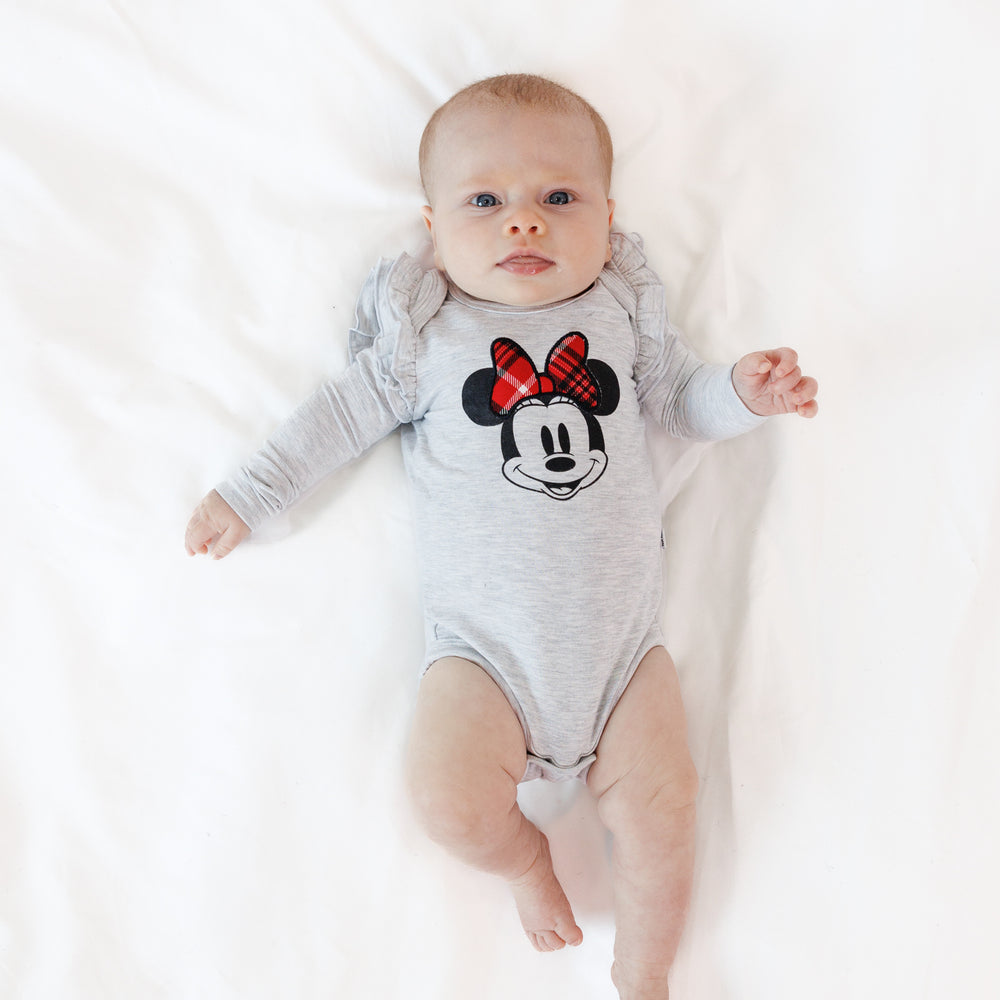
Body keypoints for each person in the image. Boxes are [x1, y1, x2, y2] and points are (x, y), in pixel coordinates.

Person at [185, 73, 818, 1000]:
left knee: (667, 805)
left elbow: (683, 403)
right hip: (483, 660)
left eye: (558, 198)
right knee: (445, 798)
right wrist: (249, 493)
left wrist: (745, 393)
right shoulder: (427, 339)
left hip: (624, 660)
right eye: (487, 201)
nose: (524, 221)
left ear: (609, 216)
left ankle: (645, 972)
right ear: (434, 227)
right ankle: (526, 866)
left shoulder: (620, 314)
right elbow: (334, 418)